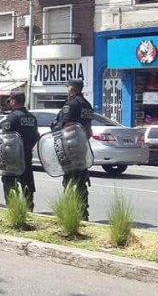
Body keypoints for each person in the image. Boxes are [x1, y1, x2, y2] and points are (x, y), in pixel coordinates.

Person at [52, 79, 93, 220]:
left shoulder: (71, 105)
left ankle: (69, 212)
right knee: (81, 180)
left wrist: (55, 127)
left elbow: (65, 125)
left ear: (72, 88)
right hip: (82, 147)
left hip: (71, 146)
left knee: (69, 180)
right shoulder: (87, 105)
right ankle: (83, 212)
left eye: (68, 86)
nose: (66, 89)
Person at [0, 91, 39, 210]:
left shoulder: (12, 117)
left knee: (9, 181)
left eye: (10, 100)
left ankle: (13, 208)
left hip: (13, 157)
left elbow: (6, 138)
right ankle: (29, 207)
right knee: (27, 181)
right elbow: (36, 135)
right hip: (27, 154)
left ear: (14, 101)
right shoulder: (32, 118)